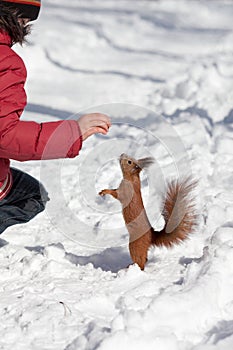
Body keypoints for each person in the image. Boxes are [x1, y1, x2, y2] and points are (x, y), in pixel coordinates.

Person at [0, 0, 111, 234]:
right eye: (26, 19)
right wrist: (70, 133)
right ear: (17, 16)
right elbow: (4, 135)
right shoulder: (6, 63)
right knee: (31, 196)